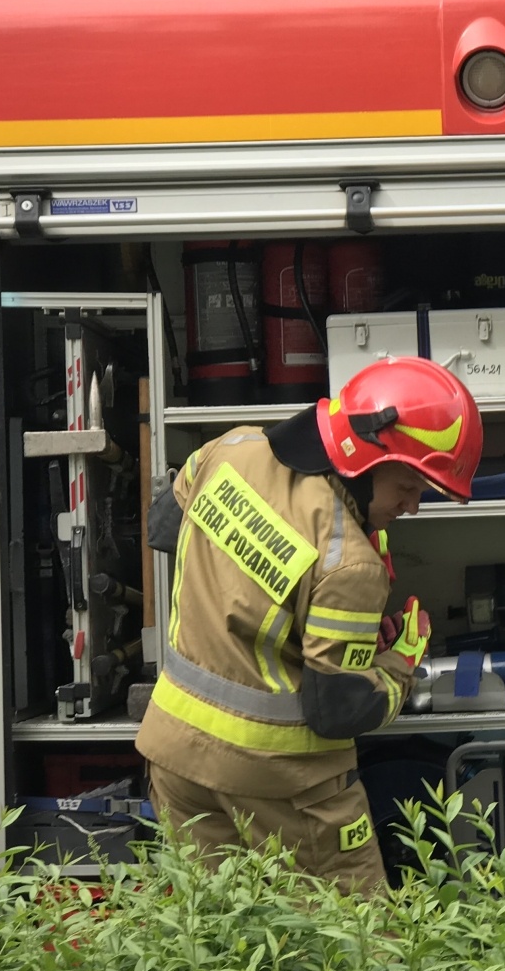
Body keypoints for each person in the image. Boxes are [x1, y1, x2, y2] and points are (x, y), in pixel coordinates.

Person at [138, 356, 482, 893]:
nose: (413, 508)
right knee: (355, 947)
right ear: (366, 461)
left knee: (219, 942)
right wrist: (400, 662)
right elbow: (337, 710)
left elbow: (166, 528)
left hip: (176, 759)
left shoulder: (232, 449)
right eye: (409, 488)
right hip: (284, 785)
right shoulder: (352, 563)